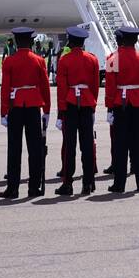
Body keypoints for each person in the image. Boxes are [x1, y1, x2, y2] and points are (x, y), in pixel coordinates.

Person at [1, 26, 51, 197]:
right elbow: (45, 87)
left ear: (16, 42)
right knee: (35, 149)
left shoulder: (9, 61)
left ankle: (13, 188)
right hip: (33, 106)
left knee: (14, 149)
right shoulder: (39, 60)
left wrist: (4, 111)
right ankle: (34, 187)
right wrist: (47, 110)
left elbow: (5, 88)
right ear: (31, 42)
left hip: (15, 106)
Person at [104, 23, 139, 193]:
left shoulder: (112, 58)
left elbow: (110, 87)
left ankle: (119, 183)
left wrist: (109, 107)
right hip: (138, 103)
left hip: (120, 103)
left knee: (120, 145)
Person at [56, 25, 101, 196]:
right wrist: (93, 105)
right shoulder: (92, 59)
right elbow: (95, 86)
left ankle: (67, 183)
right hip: (87, 104)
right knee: (87, 145)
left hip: (70, 105)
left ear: (70, 41)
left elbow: (62, 88)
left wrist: (61, 112)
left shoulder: (64, 60)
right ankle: (88, 182)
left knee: (70, 146)